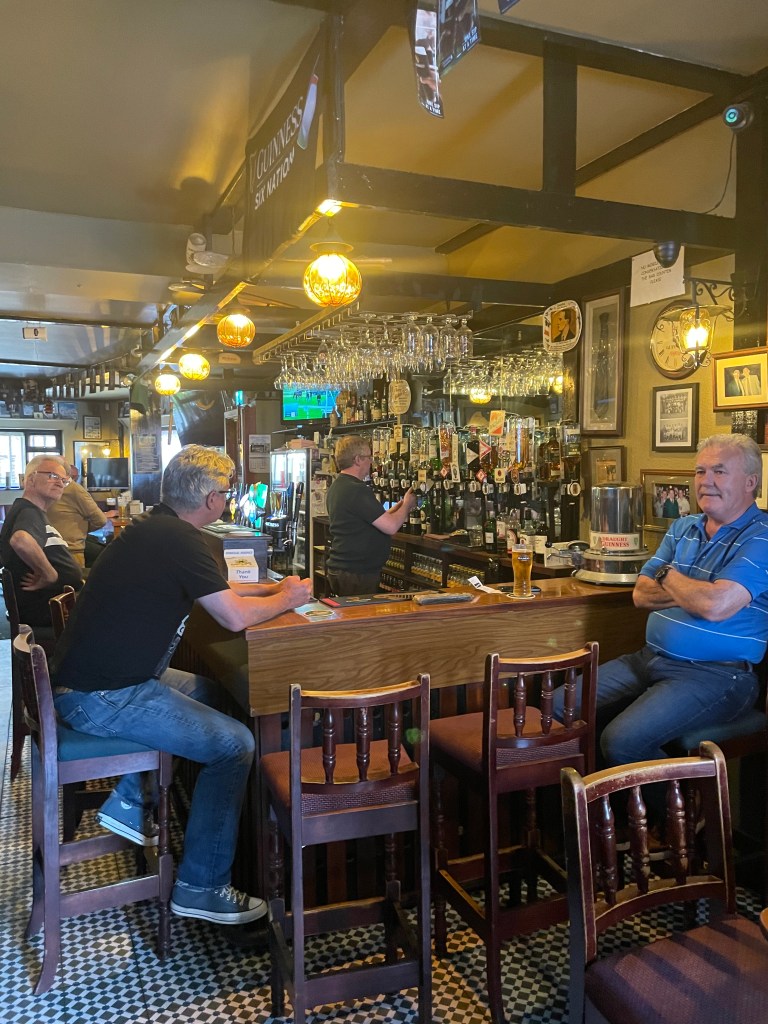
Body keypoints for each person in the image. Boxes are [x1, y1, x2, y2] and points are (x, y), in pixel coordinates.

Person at [50, 445, 313, 926]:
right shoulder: (182, 540)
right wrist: (292, 596)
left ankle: (130, 800)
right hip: (102, 697)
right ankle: (201, 886)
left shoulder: (155, 530)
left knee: (211, 693)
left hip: (92, 685)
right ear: (212, 499)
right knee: (236, 744)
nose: (228, 502)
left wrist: (276, 591)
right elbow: (232, 616)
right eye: (227, 494)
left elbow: (223, 594)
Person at [554, 434, 768, 806]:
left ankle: (682, 821)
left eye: (720, 471)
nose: (706, 481)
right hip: (649, 659)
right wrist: (698, 590)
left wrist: (669, 574)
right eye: (700, 471)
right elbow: (641, 595)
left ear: (751, 482)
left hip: (718, 675)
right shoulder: (683, 527)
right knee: (555, 708)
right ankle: (599, 825)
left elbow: (715, 607)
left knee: (621, 740)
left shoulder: (761, 537)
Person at [0, 454, 84, 642]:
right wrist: (49, 574)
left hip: (63, 606)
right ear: (30, 479)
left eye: (64, 480)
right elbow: (20, 540)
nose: (60, 483)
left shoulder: (33, 512)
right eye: (52, 476)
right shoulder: (28, 511)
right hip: (53, 614)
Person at [325, 435, 417, 596]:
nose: (371, 462)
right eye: (368, 457)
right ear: (358, 459)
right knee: (360, 619)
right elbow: (391, 527)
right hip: (356, 573)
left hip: (344, 569)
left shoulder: (339, 485)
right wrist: (408, 504)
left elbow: (373, 519)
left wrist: (401, 506)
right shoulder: (356, 489)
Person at [47, 464, 117, 568]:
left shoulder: (48, 492)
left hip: (52, 547)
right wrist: (81, 529)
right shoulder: (75, 490)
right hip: (71, 548)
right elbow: (100, 520)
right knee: (107, 553)